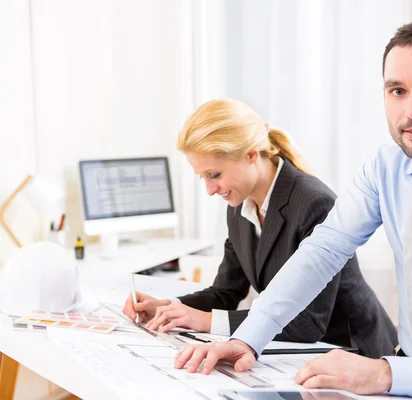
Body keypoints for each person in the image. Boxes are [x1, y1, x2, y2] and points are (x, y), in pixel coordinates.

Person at [172, 21, 412, 399]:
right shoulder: (384, 167)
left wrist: (382, 372)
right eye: (397, 90)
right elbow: (323, 251)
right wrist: (247, 338)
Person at [122, 98, 398, 359]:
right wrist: (168, 307)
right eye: (202, 177)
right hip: (305, 353)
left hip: (352, 350)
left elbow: (309, 323)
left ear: (251, 155)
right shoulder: (240, 204)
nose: (209, 189)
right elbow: (225, 292)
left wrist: (206, 321)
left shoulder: (314, 202)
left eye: (214, 174)